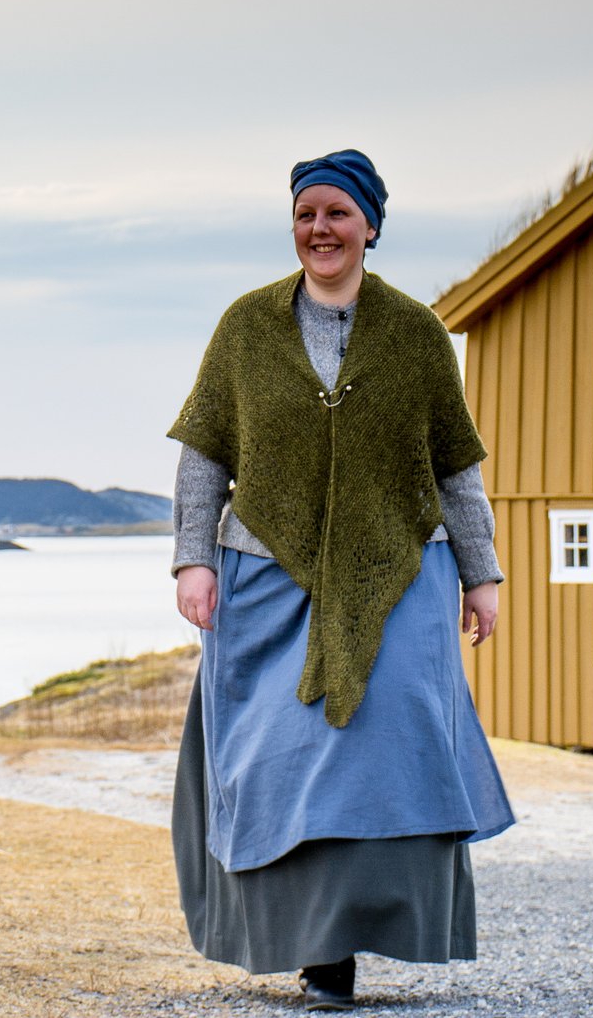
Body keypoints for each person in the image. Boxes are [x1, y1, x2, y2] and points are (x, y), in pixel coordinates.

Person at [166, 148, 514, 1012]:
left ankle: (378, 925)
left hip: (398, 575)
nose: (319, 229)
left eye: (336, 214)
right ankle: (312, 946)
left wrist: (482, 575)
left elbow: (454, 469)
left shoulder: (417, 334)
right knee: (278, 757)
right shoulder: (246, 328)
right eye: (305, 214)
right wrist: (193, 558)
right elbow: (205, 456)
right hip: (264, 578)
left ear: (369, 226)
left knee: (387, 751)